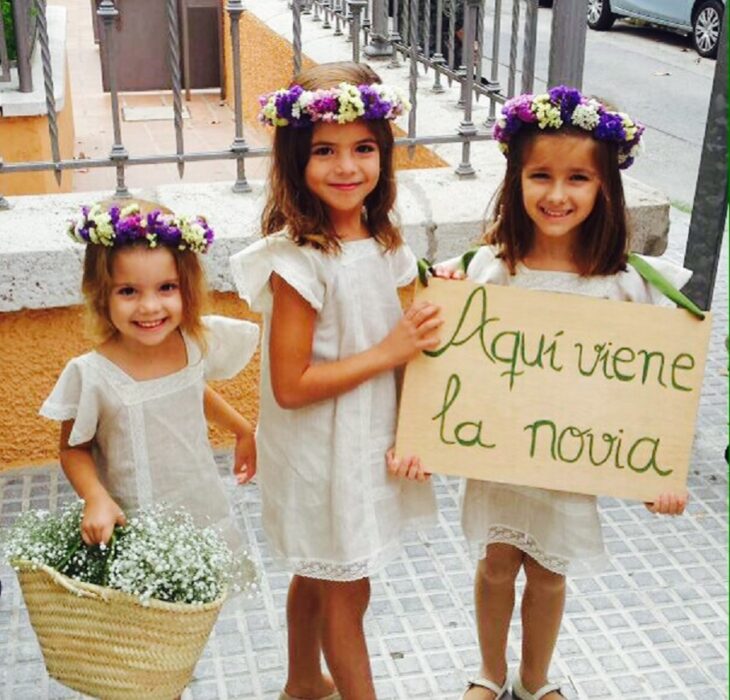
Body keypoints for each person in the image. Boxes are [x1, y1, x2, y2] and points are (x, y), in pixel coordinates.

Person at [431, 87, 690, 700]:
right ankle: (488, 675)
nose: (556, 194)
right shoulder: (489, 270)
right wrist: (445, 289)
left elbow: (660, 383)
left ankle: (535, 679)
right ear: (515, 179)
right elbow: (450, 358)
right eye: (540, 175)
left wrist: (662, 469)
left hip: (571, 463)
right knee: (497, 566)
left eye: (578, 178)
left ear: (606, 187)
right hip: (499, 455)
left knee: (550, 573)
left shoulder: (629, 286)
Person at [230, 62, 442, 700]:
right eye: (325, 150)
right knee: (347, 592)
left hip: (361, 442)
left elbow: (402, 343)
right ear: (296, 159)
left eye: (364, 149)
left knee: (321, 576)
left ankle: (301, 683)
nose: (346, 166)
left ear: (384, 153)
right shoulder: (297, 259)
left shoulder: (382, 243)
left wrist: (419, 423)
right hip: (322, 453)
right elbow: (291, 385)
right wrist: (389, 350)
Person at [41, 200, 260, 569]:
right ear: (100, 294)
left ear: (186, 288)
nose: (149, 307)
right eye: (128, 291)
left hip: (198, 510)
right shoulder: (93, 374)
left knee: (194, 619)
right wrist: (95, 498)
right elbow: (73, 450)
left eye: (166, 288)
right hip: (131, 523)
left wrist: (242, 430)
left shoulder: (193, 345)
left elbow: (192, 391)